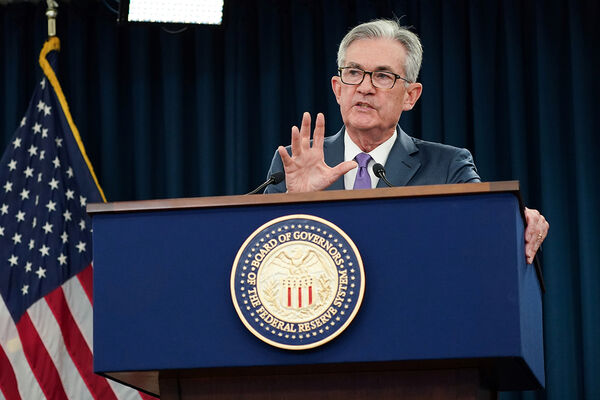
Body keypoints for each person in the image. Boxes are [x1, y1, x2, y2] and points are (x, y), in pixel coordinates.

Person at [264, 19, 548, 264]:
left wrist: (517, 220)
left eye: (382, 76)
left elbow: (486, 224)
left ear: (411, 96)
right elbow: (267, 256)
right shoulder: (292, 163)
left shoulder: (448, 167)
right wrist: (294, 203)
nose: (365, 87)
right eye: (353, 73)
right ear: (338, 89)